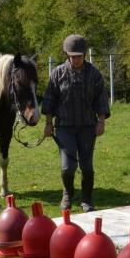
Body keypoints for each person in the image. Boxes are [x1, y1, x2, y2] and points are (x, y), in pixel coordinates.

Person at [41, 34, 110, 212]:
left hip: (87, 126)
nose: (76, 59)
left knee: (87, 167)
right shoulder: (57, 73)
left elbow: (101, 99)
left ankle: (87, 200)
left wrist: (101, 121)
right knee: (67, 167)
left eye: (79, 56)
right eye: (73, 56)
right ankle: (67, 195)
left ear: (84, 55)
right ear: (67, 55)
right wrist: (48, 123)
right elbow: (49, 100)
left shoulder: (93, 74)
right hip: (64, 127)